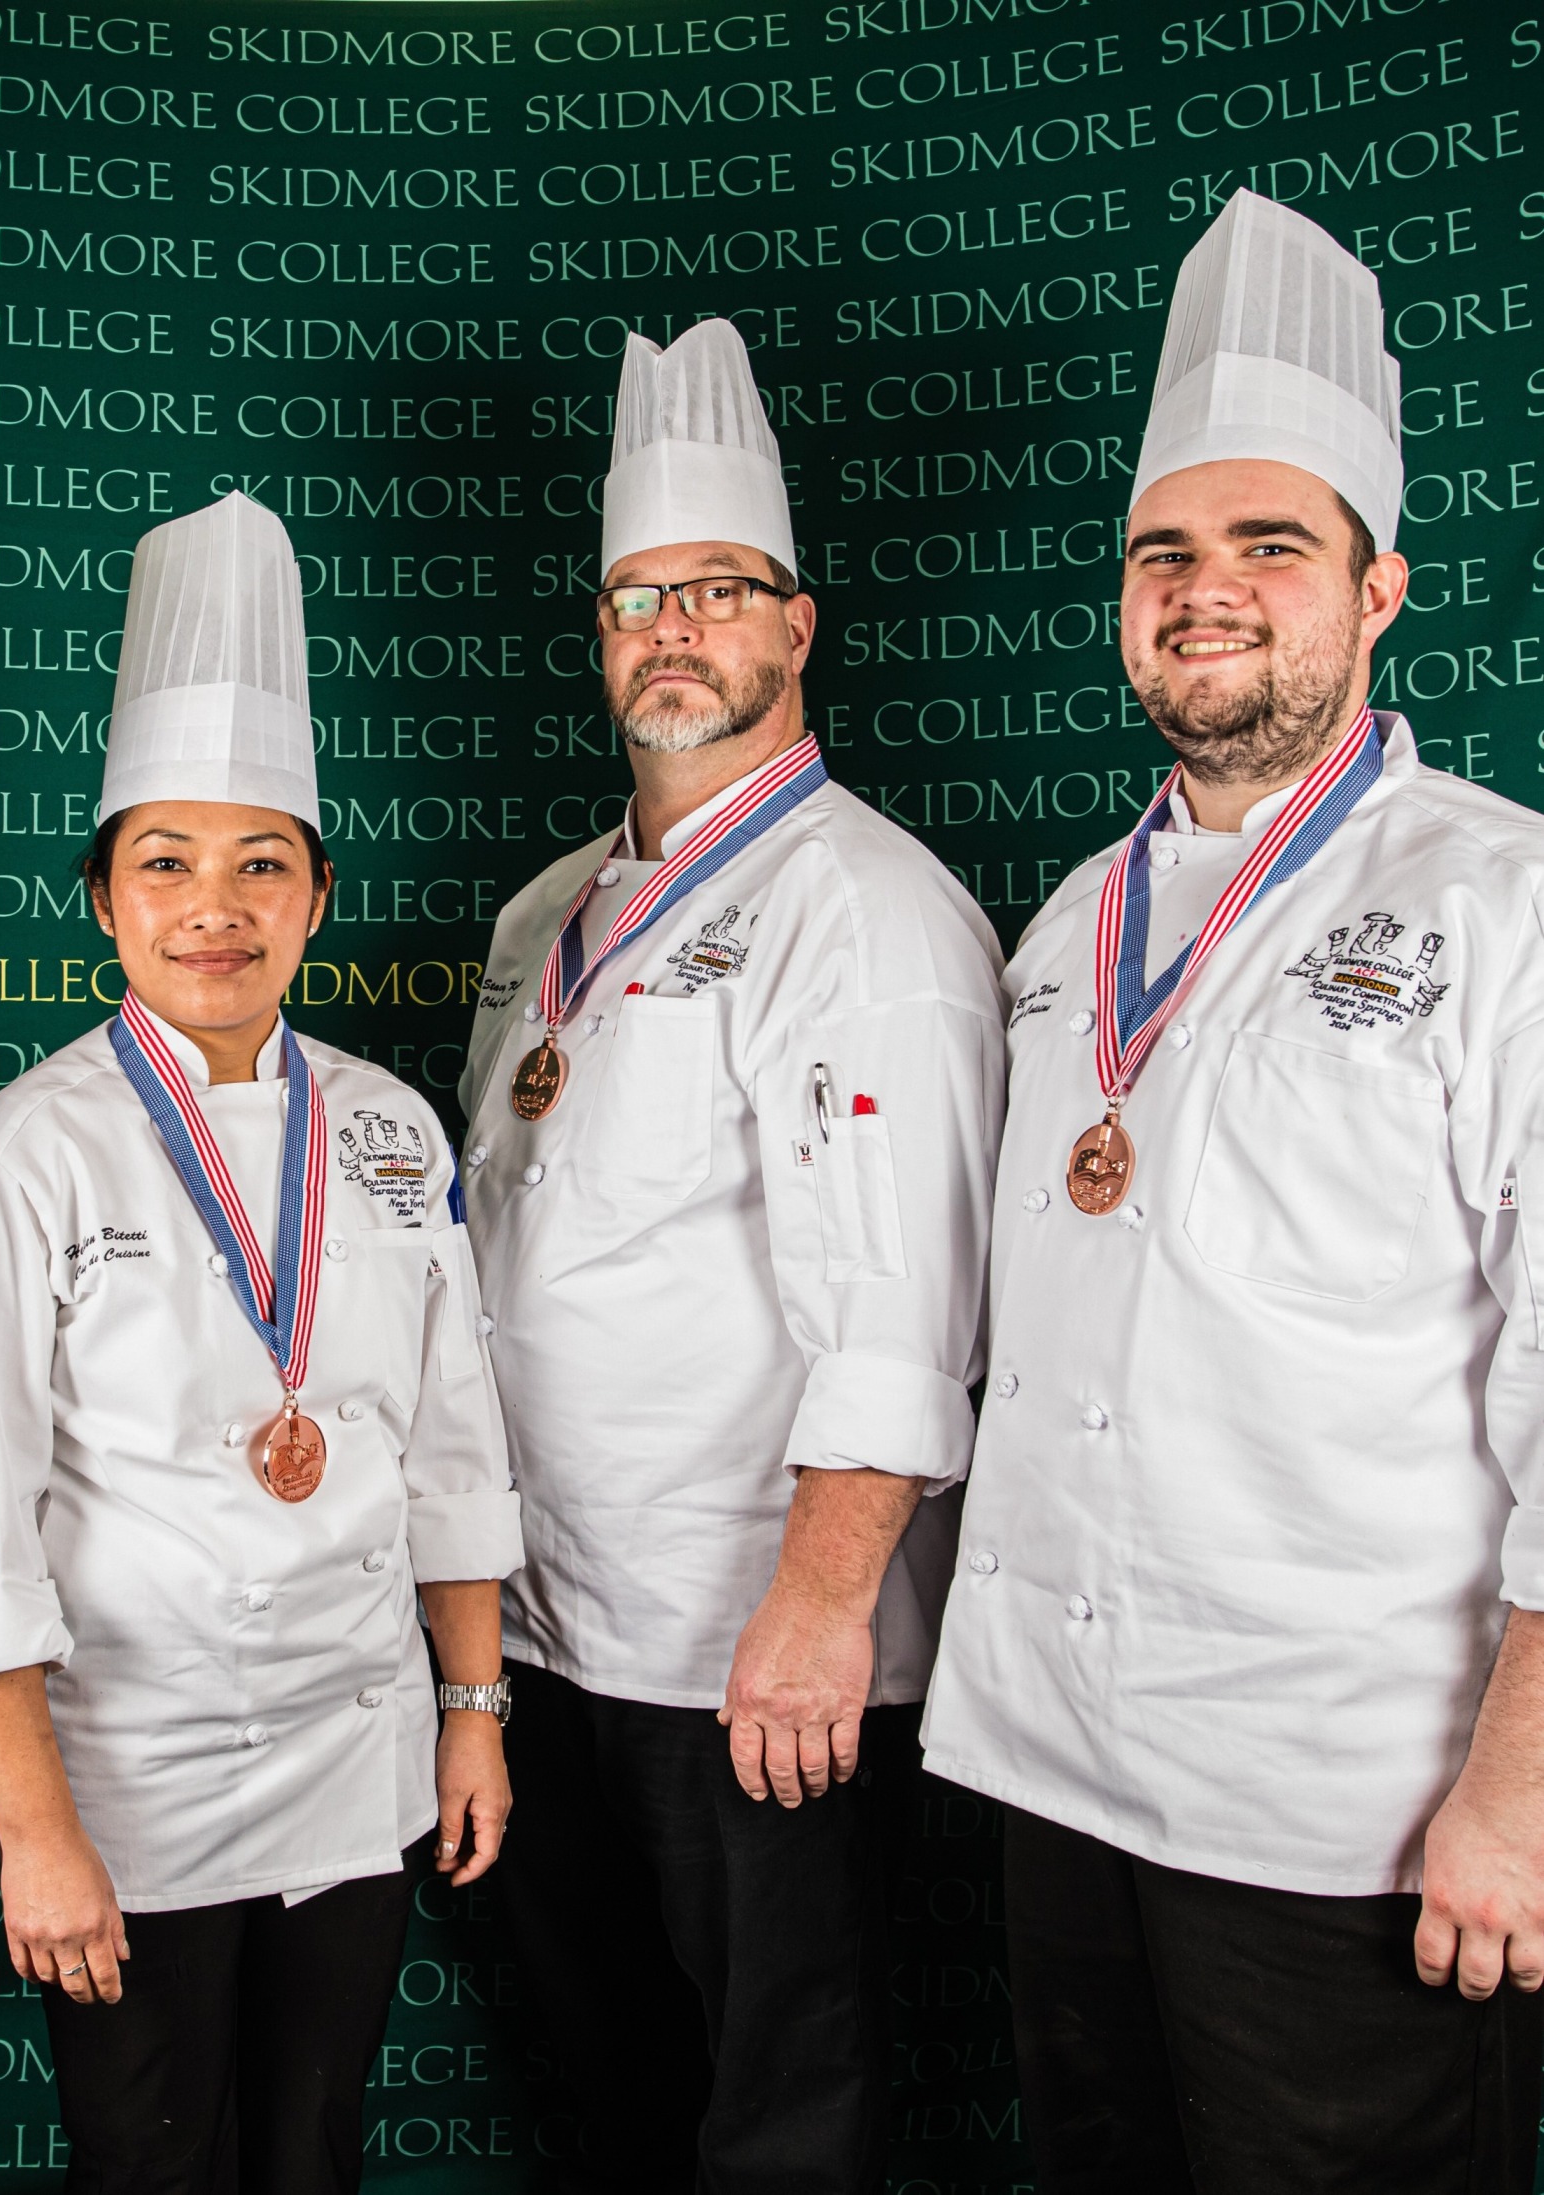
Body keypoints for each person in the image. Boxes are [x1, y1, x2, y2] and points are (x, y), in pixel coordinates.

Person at [921, 189, 1544, 2195]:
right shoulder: (1067, 925)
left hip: (1350, 1803)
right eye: (1164, 553)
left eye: (1272, 546)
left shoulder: (1504, 898)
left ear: (1380, 591)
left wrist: (1523, 1793)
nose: (1207, 592)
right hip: (1056, 1765)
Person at [0, 489, 523, 2195]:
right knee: (147, 2165)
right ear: (105, 899)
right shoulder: (31, 1148)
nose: (214, 907)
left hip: (360, 1757)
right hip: (127, 1780)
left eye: (262, 864)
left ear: (318, 894)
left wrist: (472, 1711)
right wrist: (36, 1832)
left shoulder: (388, 1128)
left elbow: (454, 1452)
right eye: (165, 863)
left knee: (315, 2151)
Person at [457, 319, 1006, 2193]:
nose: (674, 629)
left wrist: (822, 1606)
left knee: (781, 2119)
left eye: (720, 591)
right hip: (550, 1633)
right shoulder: (545, 915)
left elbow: (903, 1311)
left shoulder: (867, 905)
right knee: (610, 2101)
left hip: (754, 1655)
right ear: (601, 635)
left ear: (798, 626)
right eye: (639, 597)